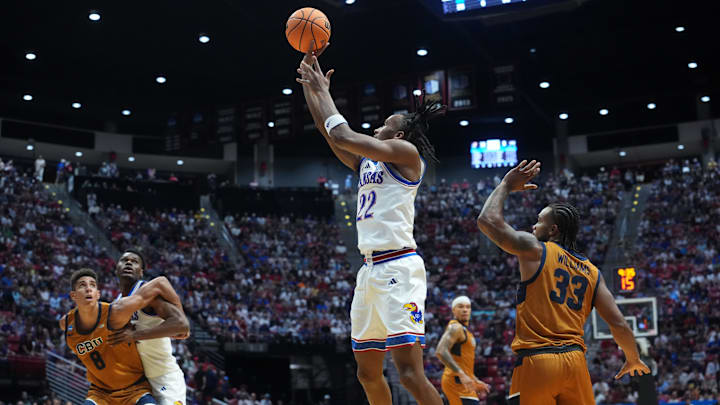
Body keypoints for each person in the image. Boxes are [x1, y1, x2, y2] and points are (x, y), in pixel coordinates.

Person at [296, 42, 445, 405]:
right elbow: (328, 131)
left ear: (398, 136)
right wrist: (311, 88)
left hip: (398, 267)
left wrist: (322, 91)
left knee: (409, 375)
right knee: (366, 373)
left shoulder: (408, 156)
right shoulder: (367, 164)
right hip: (368, 272)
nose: (376, 128)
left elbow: (344, 134)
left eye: (383, 126)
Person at [475, 160, 650, 405]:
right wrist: (632, 358)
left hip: (538, 361)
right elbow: (618, 322)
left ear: (553, 229)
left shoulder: (535, 248)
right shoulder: (592, 272)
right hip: (575, 364)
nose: (534, 225)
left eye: (539, 220)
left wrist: (505, 185)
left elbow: (487, 221)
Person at [59, 268, 182, 405]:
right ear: (73, 295)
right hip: (101, 393)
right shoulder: (66, 324)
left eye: (93, 285)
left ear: (98, 294)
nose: (88, 289)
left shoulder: (115, 313)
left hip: (134, 389)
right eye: (82, 285)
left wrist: (179, 312)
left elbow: (160, 283)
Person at [109, 250, 190, 405]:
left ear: (141, 272)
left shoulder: (150, 295)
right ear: (116, 269)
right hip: (137, 384)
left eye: (134, 261)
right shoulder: (116, 304)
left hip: (164, 377)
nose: (128, 263)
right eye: (124, 260)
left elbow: (182, 325)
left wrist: (135, 335)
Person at [435, 296, 490, 405]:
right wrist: (462, 374)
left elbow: (463, 363)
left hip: (463, 382)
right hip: (456, 382)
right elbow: (441, 351)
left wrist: (475, 379)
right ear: (453, 310)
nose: (465, 310)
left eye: (468, 307)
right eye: (460, 307)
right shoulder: (455, 328)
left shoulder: (466, 331)